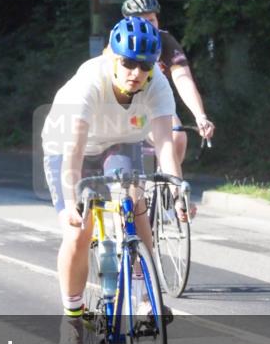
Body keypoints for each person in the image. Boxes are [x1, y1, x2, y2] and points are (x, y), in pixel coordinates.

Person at [42, 17, 187, 325]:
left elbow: (165, 145)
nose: (136, 73)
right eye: (129, 63)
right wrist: (71, 203)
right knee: (78, 232)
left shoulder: (157, 85)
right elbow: (75, 152)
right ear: (113, 57)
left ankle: (148, 296)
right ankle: (72, 319)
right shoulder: (89, 83)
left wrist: (177, 192)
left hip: (120, 141)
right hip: (67, 145)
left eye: (145, 66)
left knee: (136, 204)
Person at [120, 0, 215, 169]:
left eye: (152, 20)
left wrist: (200, 116)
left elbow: (182, 78)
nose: (148, 26)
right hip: (125, 105)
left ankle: (167, 185)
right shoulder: (120, 40)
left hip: (156, 103)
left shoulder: (165, 41)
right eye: (141, 21)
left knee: (177, 135)